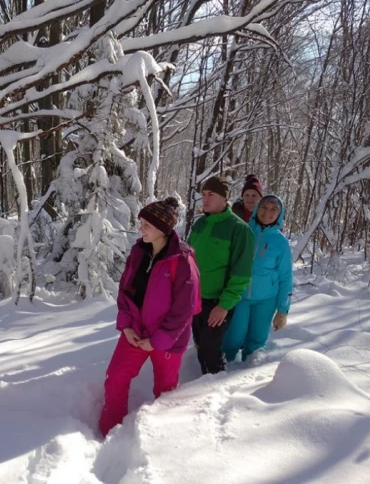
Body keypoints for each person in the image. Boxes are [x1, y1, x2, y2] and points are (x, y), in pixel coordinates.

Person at [99, 197, 201, 437]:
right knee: (115, 377)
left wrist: (158, 341)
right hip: (135, 332)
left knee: (165, 391)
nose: (140, 229)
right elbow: (124, 292)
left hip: (168, 339)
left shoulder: (183, 260)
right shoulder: (138, 252)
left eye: (147, 225)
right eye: (141, 222)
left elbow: (184, 309)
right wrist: (126, 327)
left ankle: (158, 440)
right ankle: (109, 432)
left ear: (164, 229)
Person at [187, 176, 254, 375]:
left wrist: (224, 305)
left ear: (225, 198)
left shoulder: (239, 229)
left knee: (211, 349)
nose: (205, 199)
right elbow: (189, 261)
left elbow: (241, 273)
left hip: (217, 302)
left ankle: (216, 388)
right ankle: (204, 381)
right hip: (195, 299)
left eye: (211, 195)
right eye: (203, 195)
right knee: (200, 345)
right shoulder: (200, 225)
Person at [223, 195, 293, 363]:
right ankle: (224, 366)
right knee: (233, 336)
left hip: (266, 299)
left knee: (257, 339)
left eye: (273, 209)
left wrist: (282, 310)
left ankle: (250, 369)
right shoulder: (243, 231)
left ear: (279, 214)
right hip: (239, 296)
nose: (267, 212)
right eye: (264, 207)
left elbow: (286, 277)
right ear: (257, 209)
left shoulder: (280, 242)